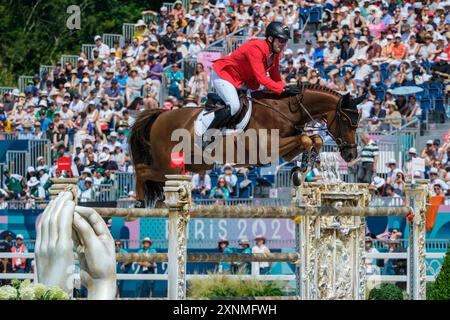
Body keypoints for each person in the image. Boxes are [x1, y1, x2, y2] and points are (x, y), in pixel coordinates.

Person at [205, 22, 299, 147]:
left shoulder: (275, 54)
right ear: (270, 38)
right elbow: (261, 78)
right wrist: (283, 89)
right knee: (234, 105)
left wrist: (287, 87)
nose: (283, 45)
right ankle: (207, 137)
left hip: (242, 81)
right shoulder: (256, 48)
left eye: (285, 41)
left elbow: (276, 79)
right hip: (225, 75)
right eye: (281, 40)